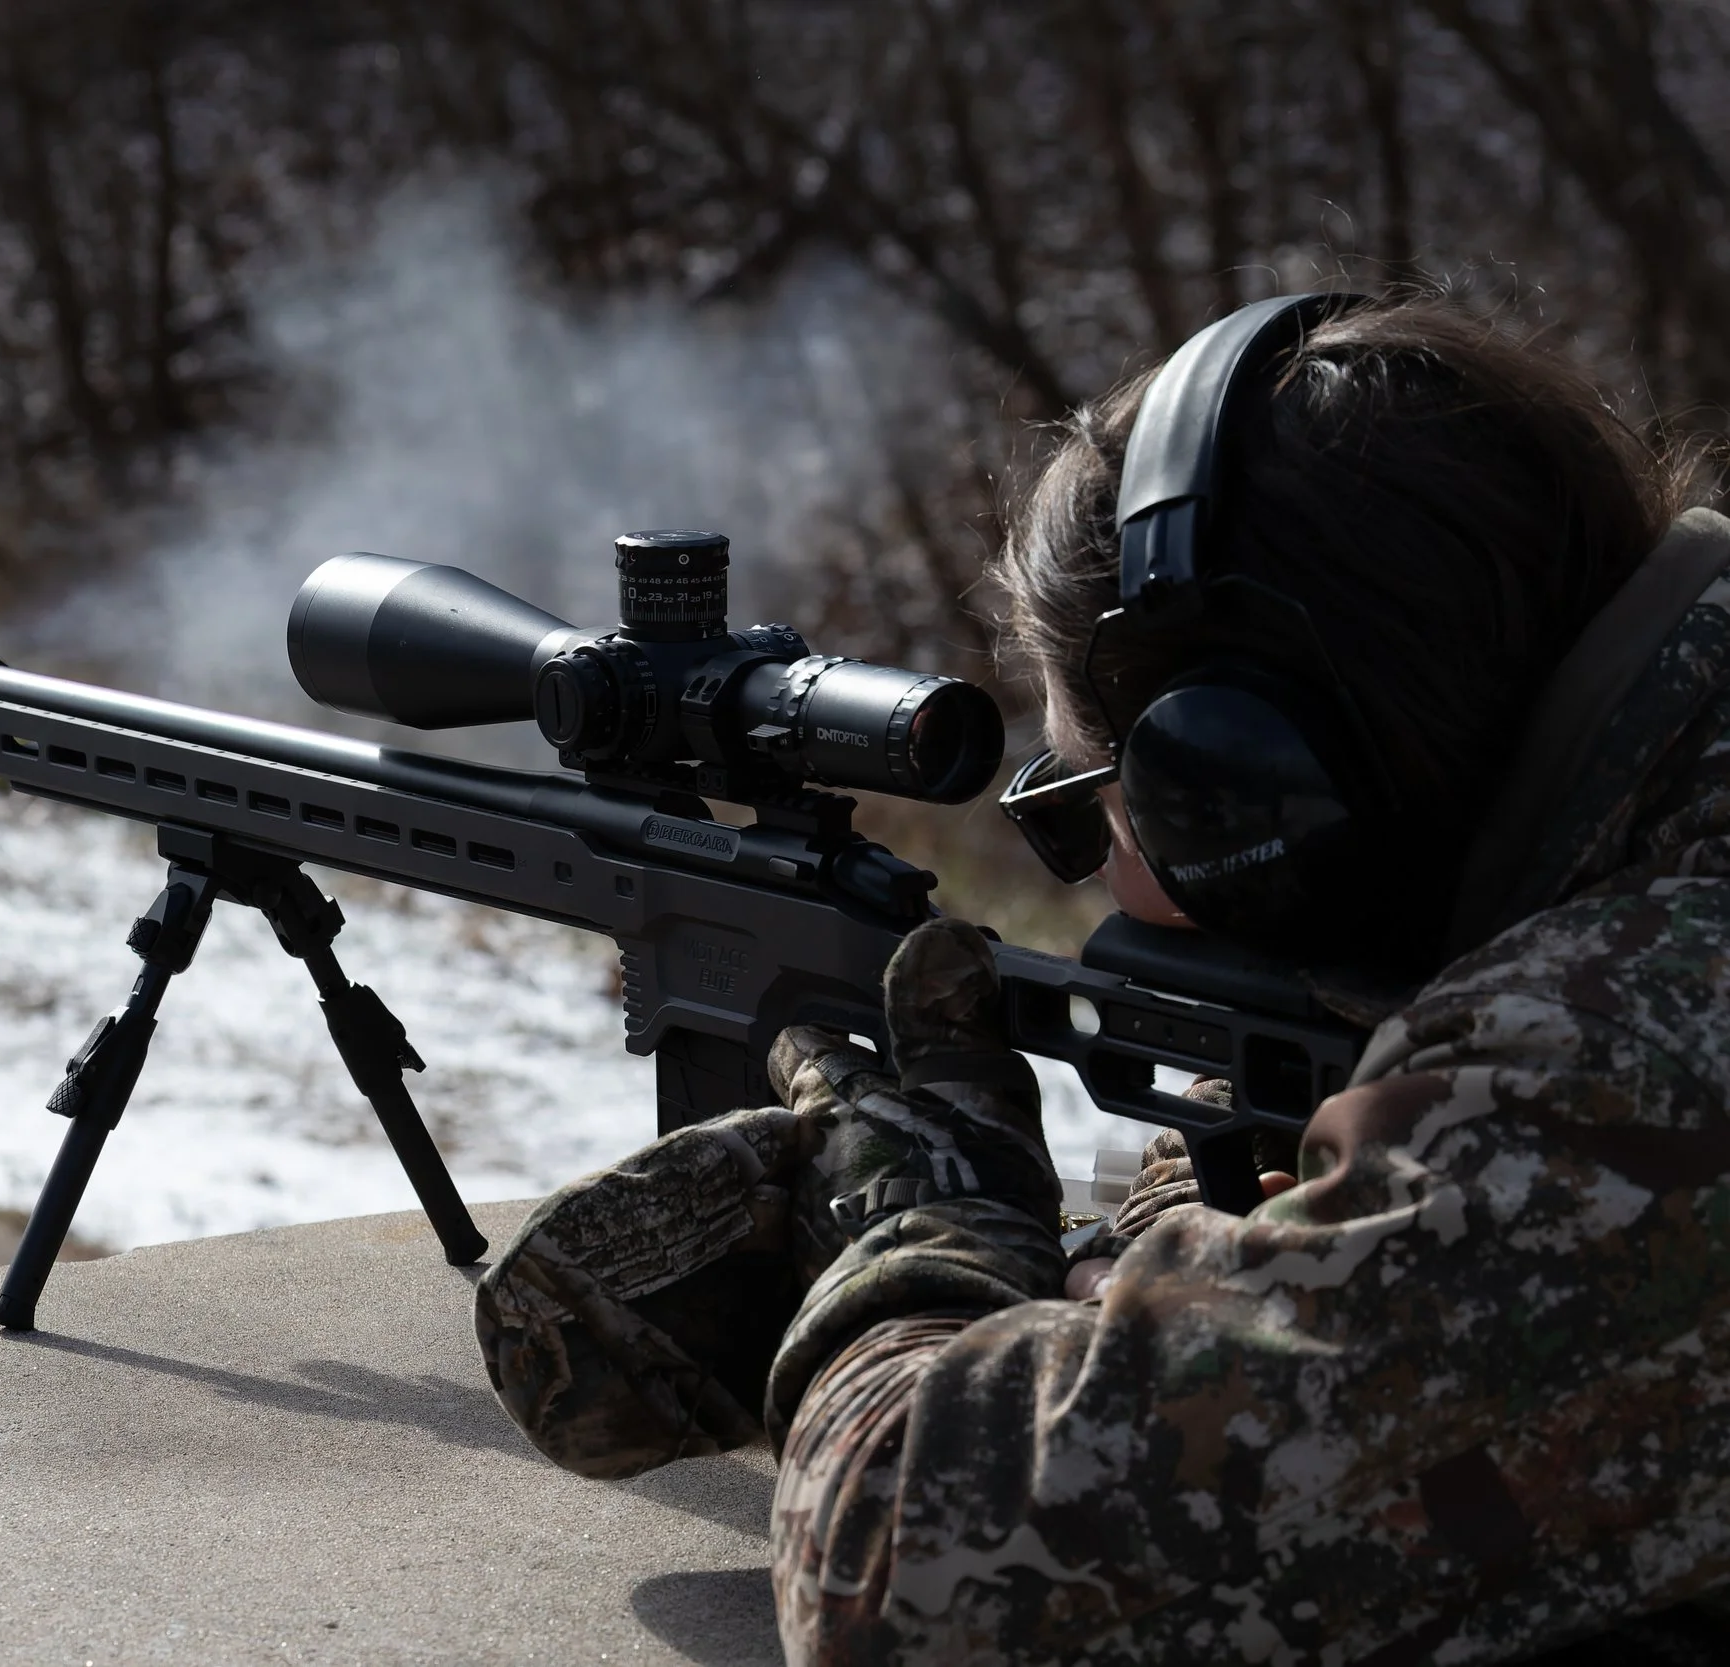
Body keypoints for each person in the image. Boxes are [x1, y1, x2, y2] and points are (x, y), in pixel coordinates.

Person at [473, 292, 1730, 1665]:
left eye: (1096, 804)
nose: (1100, 878)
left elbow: (914, 1579)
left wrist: (914, 1250)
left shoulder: (1614, 1073)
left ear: (1257, 795)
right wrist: (1195, 1204)